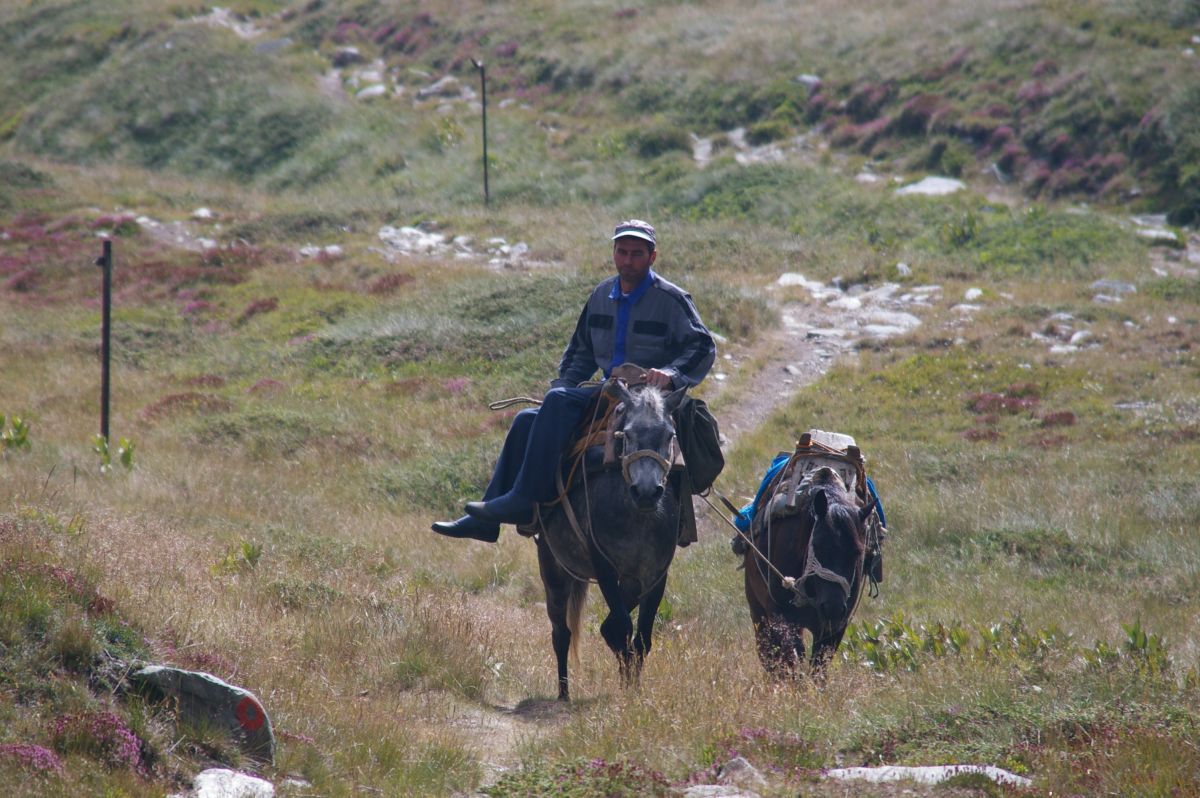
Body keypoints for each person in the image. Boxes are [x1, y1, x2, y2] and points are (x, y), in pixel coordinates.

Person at [432, 219, 717, 542]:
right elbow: (580, 352)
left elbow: (703, 345)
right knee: (527, 419)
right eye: (622, 252)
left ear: (652, 257)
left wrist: (671, 374)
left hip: (649, 402)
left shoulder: (671, 299)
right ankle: (488, 520)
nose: (627, 260)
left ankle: (524, 498)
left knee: (554, 405)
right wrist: (564, 385)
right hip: (611, 392)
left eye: (637, 254)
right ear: (613, 253)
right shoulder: (600, 296)